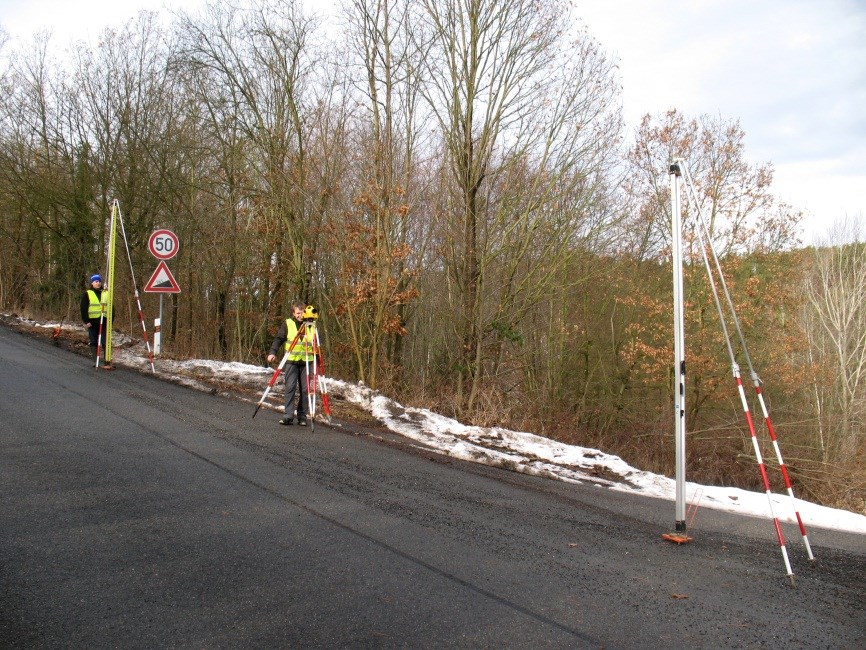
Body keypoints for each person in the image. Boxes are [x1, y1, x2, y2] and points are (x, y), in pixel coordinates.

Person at [267, 302, 315, 426]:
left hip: (306, 362)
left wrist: (318, 359)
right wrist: (273, 352)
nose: (300, 315)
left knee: (305, 390)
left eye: (302, 312)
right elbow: (279, 339)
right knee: (290, 387)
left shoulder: (311, 325)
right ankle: (288, 415)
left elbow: (315, 343)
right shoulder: (288, 323)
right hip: (291, 361)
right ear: (294, 313)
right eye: (298, 313)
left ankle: (302, 416)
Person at [80, 274, 106, 361]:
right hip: (92, 322)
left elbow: (111, 307)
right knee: (94, 341)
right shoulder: (88, 294)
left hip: (104, 321)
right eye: (96, 281)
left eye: (99, 281)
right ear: (92, 283)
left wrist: (111, 319)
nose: (98, 283)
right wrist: (86, 321)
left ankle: (107, 360)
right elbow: (83, 308)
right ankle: (95, 360)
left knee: (105, 341)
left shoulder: (105, 293)